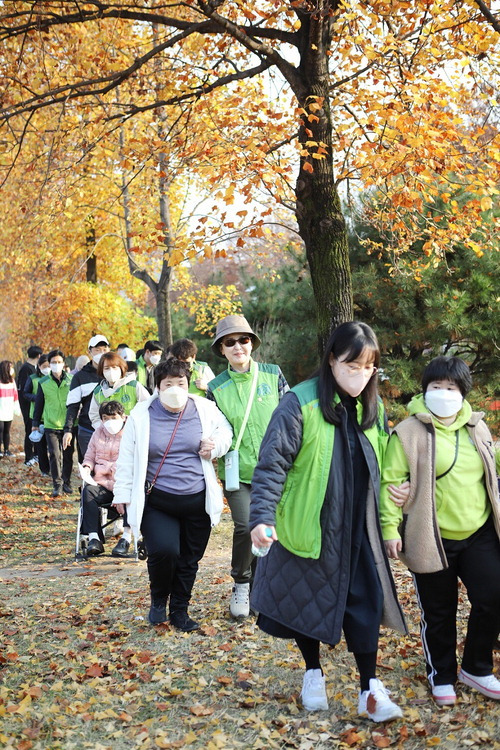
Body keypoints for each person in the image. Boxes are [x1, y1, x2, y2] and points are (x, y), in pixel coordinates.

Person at [249, 321, 406, 721]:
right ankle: (313, 673)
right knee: (308, 601)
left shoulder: (374, 407)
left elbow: (386, 468)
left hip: (359, 528)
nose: (361, 374)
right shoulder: (299, 403)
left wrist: (393, 512)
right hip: (311, 526)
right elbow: (272, 465)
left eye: (369, 367)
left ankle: (369, 689)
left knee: (365, 605)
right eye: (353, 365)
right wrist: (262, 517)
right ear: (332, 360)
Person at [380, 356, 500, 706]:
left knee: (493, 597)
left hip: (479, 532)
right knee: (439, 611)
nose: (443, 393)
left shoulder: (477, 427)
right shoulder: (407, 432)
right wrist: (390, 527)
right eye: (436, 387)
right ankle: (442, 674)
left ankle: (476, 668)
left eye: (451, 388)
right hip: (430, 535)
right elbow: (392, 483)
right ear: (425, 390)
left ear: (463, 393)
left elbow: (490, 477)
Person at [112, 358, 232, 631]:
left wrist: (214, 447)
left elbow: (225, 431)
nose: (176, 388)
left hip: (197, 499)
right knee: (164, 551)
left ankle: (180, 609)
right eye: (169, 384)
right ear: (157, 387)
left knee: (190, 558)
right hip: (159, 500)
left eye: (181, 383)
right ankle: (158, 599)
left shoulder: (203, 407)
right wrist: (122, 493)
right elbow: (127, 457)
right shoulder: (142, 414)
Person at [206, 314, 289, 619]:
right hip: (237, 472)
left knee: (271, 529)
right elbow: (215, 427)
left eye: (243, 340)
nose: (238, 346)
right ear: (222, 349)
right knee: (245, 526)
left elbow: (289, 415)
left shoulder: (272, 374)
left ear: (252, 343)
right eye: (230, 342)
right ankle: (242, 582)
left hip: (275, 468)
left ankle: (264, 587)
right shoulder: (216, 386)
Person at [80, 400, 132, 558]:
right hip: (102, 482)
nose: (110, 422)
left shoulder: (132, 432)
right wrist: (87, 468)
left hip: (124, 481)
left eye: (113, 417)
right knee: (88, 492)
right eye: (105, 418)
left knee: (134, 492)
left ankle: (126, 538)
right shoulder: (98, 433)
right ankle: (94, 539)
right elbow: (89, 456)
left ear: (122, 417)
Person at [32, 349, 74, 497]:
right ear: (49, 364)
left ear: (64, 363)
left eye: (59, 362)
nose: (56, 365)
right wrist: (35, 423)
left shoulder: (71, 380)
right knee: (54, 455)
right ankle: (57, 484)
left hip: (68, 425)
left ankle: (67, 482)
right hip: (51, 424)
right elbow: (39, 404)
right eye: (53, 362)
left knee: (68, 455)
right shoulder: (43, 382)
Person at [62, 335, 110, 459]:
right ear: (89, 352)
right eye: (97, 350)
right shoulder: (80, 377)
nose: (101, 353)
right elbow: (73, 406)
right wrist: (68, 430)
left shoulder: (114, 373)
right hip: (87, 429)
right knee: (90, 467)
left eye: (104, 350)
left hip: (112, 430)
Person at [88, 352, 149, 428]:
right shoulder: (98, 392)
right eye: (107, 368)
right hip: (108, 436)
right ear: (102, 371)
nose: (111, 371)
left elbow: (147, 406)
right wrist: (104, 429)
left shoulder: (134, 386)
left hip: (132, 432)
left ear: (121, 368)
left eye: (114, 367)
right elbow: (94, 416)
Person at [23, 355, 51, 476]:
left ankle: (55, 468)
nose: (47, 368)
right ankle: (44, 469)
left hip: (52, 417)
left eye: (49, 366)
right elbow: (25, 393)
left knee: (54, 447)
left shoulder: (54, 379)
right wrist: (37, 398)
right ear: (39, 367)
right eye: (44, 366)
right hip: (37, 417)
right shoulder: (33, 378)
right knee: (41, 446)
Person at [16, 345, 42, 466]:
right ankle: (29, 457)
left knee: (37, 429)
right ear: (39, 356)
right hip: (28, 406)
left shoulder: (34, 368)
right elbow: (23, 390)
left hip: (34, 406)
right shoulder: (26, 369)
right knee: (29, 431)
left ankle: (36, 454)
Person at [0, 360, 21, 458]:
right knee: (0, 429)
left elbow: (15, 394)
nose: (12, 369)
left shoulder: (12, 381)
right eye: (10, 367)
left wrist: (16, 409)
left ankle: (6, 450)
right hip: (1, 408)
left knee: (6, 430)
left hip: (8, 408)